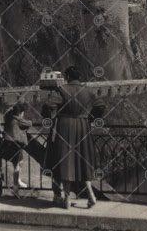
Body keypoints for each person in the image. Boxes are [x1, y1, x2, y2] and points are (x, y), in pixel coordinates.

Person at [43, 65, 104, 209]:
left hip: (64, 127)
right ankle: (91, 196)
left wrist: (49, 116)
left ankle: (67, 199)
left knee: (65, 161)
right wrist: (90, 118)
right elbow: (101, 105)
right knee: (83, 162)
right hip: (83, 127)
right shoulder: (88, 91)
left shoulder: (62, 89)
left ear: (68, 77)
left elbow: (48, 105)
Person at [2, 101, 32, 197]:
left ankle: (18, 181)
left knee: (20, 162)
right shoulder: (18, 119)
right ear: (20, 113)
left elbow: (6, 114)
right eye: (23, 113)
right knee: (17, 167)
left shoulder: (9, 118)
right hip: (15, 146)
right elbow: (29, 123)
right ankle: (15, 188)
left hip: (9, 145)